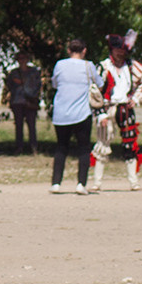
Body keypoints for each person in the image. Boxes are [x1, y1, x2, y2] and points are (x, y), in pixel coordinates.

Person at [90, 38, 142, 192]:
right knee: (103, 143)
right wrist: (100, 113)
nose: (120, 53)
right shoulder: (103, 66)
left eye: (123, 50)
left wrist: (136, 98)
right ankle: (97, 182)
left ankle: (134, 182)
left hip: (125, 108)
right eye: (117, 49)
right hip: (107, 108)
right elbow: (95, 90)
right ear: (112, 50)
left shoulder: (131, 66)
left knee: (130, 144)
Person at [48, 40, 98, 194]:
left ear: (68, 50)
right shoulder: (88, 66)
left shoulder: (60, 65)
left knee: (61, 147)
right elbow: (99, 82)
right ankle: (81, 184)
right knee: (83, 149)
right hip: (82, 112)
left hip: (61, 112)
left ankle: (56, 183)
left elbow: (55, 83)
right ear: (84, 50)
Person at [5, 52, 43, 154]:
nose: (22, 61)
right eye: (20, 58)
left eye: (24, 58)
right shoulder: (14, 73)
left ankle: (34, 147)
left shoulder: (34, 72)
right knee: (18, 125)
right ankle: (19, 147)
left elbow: (38, 85)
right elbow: (9, 85)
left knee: (31, 125)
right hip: (17, 101)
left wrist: (34, 94)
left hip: (30, 101)